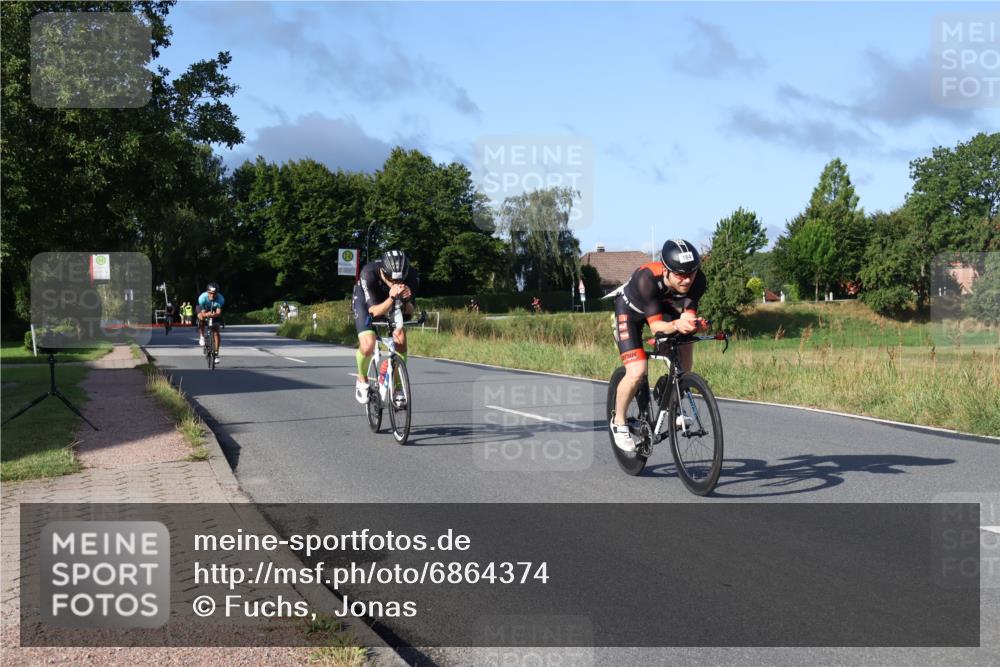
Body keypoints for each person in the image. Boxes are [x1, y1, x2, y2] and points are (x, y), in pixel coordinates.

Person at [609, 239, 709, 452]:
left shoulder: (698, 280)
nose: (686, 280)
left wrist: (694, 324)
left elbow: (687, 315)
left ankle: (669, 395)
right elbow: (656, 328)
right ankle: (618, 422)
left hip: (660, 307)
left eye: (691, 273)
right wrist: (677, 324)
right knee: (637, 372)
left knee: (685, 346)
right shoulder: (648, 279)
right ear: (666, 270)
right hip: (629, 312)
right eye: (680, 275)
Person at [352, 250, 419, 405]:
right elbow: (374, 312)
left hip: (393, 300)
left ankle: (397, 387)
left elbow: (410, 312)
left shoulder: (412, 276)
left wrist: (407, 300)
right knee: (368, 345)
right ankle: (361, 378)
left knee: (400, 339)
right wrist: (392, 297)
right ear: (383, 272)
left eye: (399, 280)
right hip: (367, 303)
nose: (395, 283)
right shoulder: (369, 273)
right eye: (391, 279)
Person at [196, 283, 225, 363]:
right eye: (210, 293)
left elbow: (218, 312)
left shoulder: (220, 299)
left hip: (214, 310)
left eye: (214, 293)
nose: (212, 295)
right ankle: (201, 336)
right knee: (201, 319)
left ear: (217, 293)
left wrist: (214, 315)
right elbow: (202, 312)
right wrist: (206, 314)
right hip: (203, 308)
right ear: (207, 292)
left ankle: (216, 354)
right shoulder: (202, 298)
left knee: (216, 331)